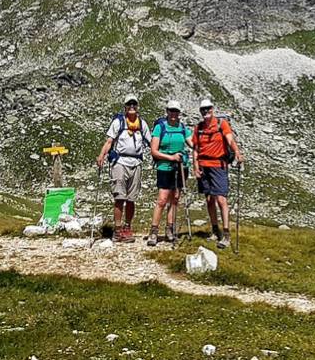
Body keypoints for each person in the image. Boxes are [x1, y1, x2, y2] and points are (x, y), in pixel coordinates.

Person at [97, 94, 151, 243]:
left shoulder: (142, 124)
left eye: (134, 104)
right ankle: (118, 229)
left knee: (132, 198)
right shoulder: (118, 122)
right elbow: (109, 141)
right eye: (129, 104)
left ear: (137, 106)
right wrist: (102, 155)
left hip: (136, 163)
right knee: (120, 197)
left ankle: (127, 228)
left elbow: (151, 142)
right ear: (125, 107)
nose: (132, 106)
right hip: (120, 161)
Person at [192, 98, 243, 249]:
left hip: (218, 166)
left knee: (221, 199)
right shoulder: (198, 127)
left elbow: (229, 139)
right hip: (203, 166)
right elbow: (195, 148)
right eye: (203, 109)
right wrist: (195, 166)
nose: (206, 111)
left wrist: (237, 152)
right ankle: (215, 230)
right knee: (209, 199)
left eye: (208, 108)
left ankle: (226, 234)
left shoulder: (222, 124)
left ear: (212, 109)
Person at [147, 100, 193, 246]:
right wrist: (170, 157)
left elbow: (193, 143)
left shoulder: (183, 128)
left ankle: (169, 229)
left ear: (179, 113)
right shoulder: (160, 127)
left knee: (175, 198)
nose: (173, 114)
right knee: (162, 199)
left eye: (176, 111)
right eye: (171, 111)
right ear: (167, 111)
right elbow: (154, 151)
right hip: (165, 167)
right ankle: (153, 231)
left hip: (180, 167)